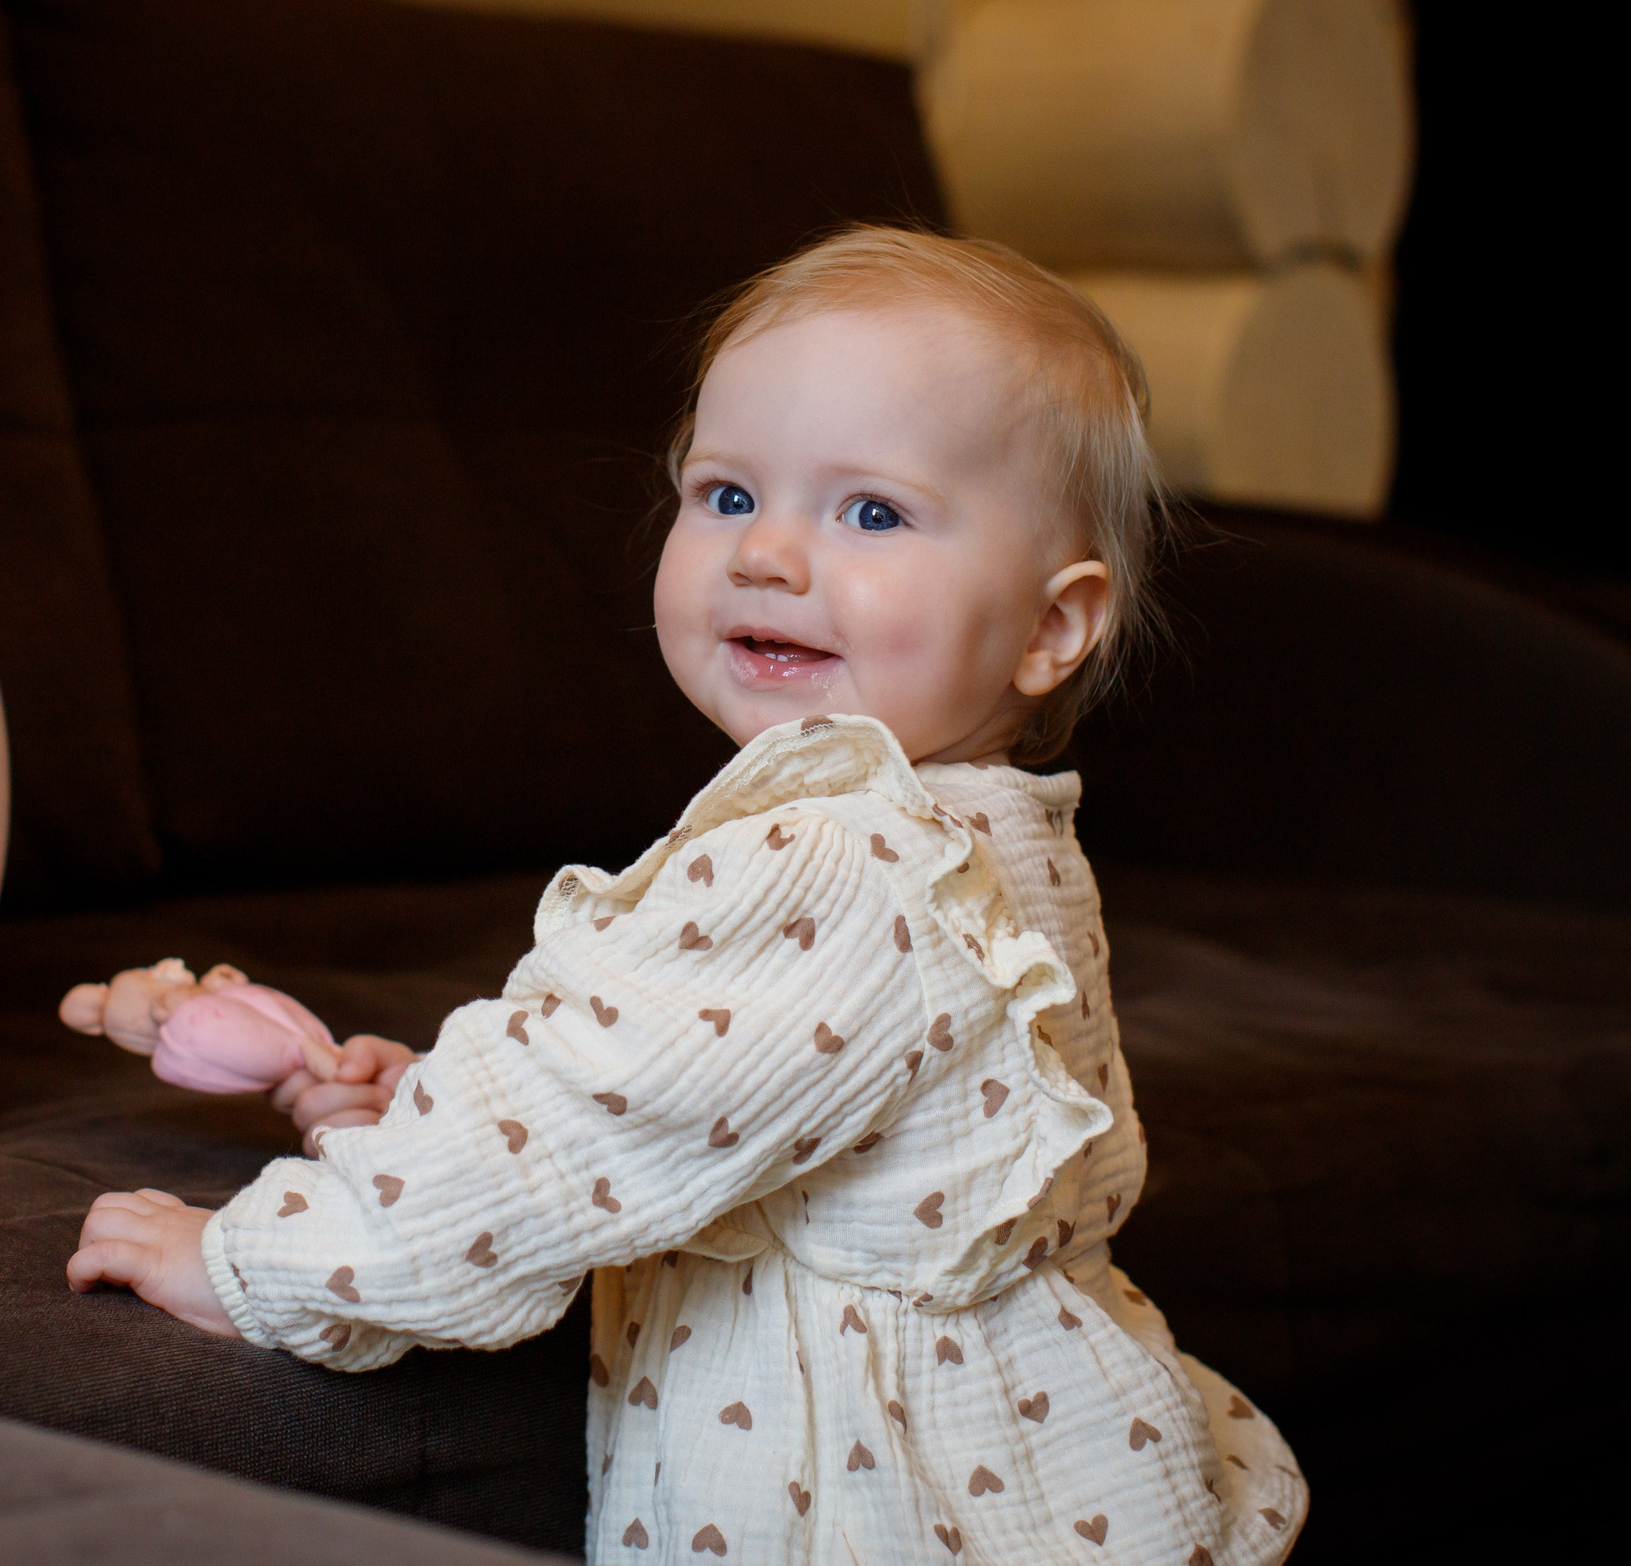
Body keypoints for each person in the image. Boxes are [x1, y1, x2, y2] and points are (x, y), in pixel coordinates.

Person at [66, 226, 1304, 1564]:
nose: (766, 555)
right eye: (724, 494)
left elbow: (583, 1127)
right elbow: (731, 1115)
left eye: (871, 511)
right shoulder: (989, 838)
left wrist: (258, 1266)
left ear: (1053, 629)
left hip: (887, 1505)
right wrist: (422, 1100)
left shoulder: (837, 859)